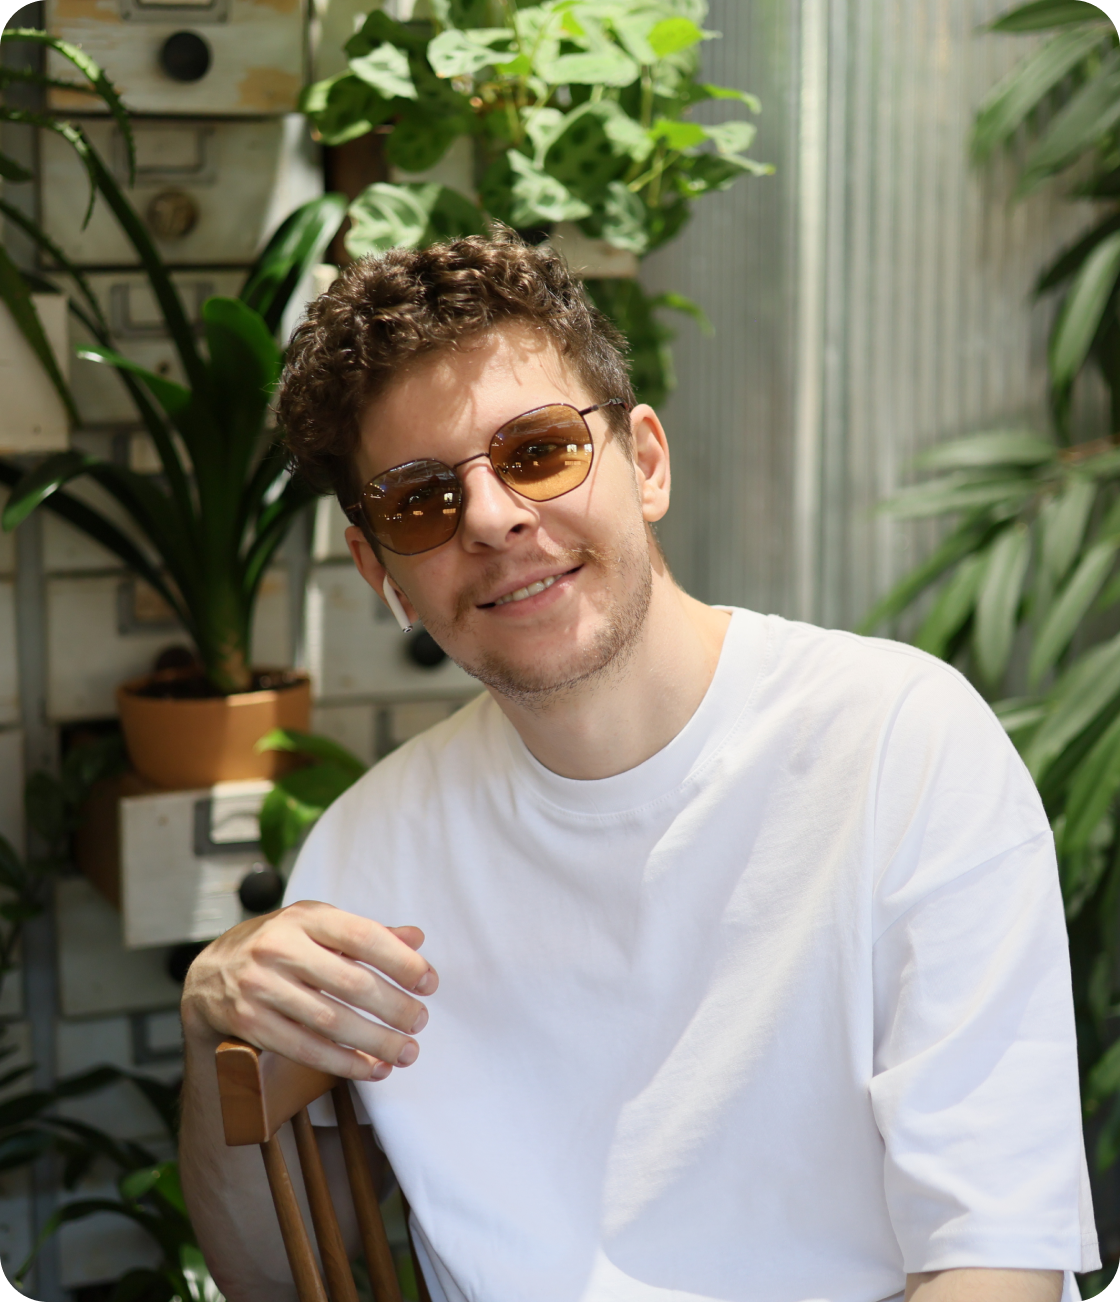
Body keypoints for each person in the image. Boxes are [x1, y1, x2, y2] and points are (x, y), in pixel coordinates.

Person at [179, 230, 1099, 1302]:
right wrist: (211, 1022)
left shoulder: (901, 745)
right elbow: (272, 1276)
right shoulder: (368, 854)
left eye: (537, 451)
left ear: (646, 462)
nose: (493, 519)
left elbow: (996, 1258)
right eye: (420, 502)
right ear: (380, 572)